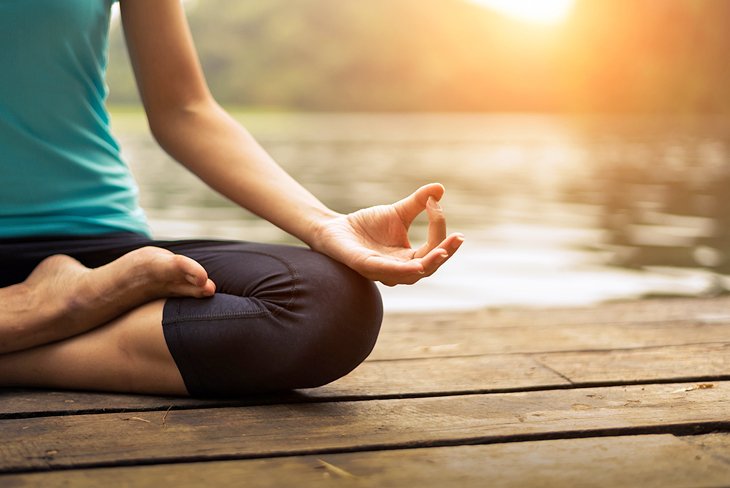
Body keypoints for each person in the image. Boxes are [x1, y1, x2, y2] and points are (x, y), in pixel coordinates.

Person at [0, 0, 463, 398]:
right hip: (70, 290)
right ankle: (39, 312)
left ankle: (45, 314)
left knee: (328, 305)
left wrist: (323, 225)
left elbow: (184, 110)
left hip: (95, 240)